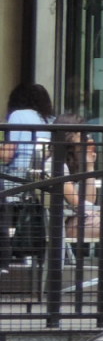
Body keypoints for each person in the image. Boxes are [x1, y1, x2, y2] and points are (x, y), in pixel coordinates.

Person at [50, 114, 103, 300]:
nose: (86, 138)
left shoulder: (70, 160)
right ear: (71, 134)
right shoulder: (54, 162)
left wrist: (89, 166)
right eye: (81, 133)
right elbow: (79, 203)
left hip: (81, 217)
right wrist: (95, 210)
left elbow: (89, 201)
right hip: (67, 223)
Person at [1, 84, 55, 272]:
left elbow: (9, 154)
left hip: (15, 177)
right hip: (38, 179)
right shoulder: (49, 120)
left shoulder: (18, 116)